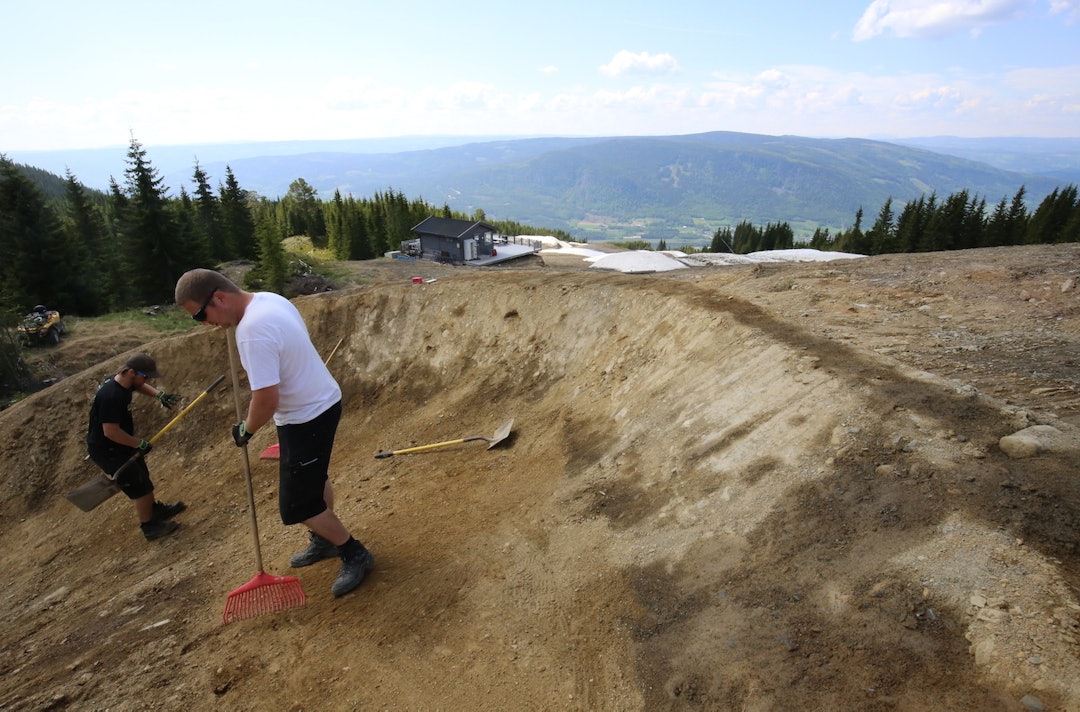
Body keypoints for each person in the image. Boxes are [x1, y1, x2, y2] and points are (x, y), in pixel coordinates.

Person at [174, 268, 373, 598]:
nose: (205, 324)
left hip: (306, 416)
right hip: (319, 403)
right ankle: (324, 539)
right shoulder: (269, 300)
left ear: (219, 298)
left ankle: (354, 552)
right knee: (314, 478)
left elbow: (266, 399)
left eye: (200, 315)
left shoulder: (252, 332)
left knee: (298, 506)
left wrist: (247, 430)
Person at [86, 353, 185, 541]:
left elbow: (138, 386)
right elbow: (110, 431)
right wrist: (138, 443)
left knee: (142, 475)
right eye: (145, 376)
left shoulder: (122, 381)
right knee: (138, 485)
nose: (147, 380)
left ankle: (154, 510)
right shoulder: (111, 396)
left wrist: (158, 395)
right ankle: (149, 527)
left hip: (120, 444)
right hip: (108, 450)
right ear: (131, 372)